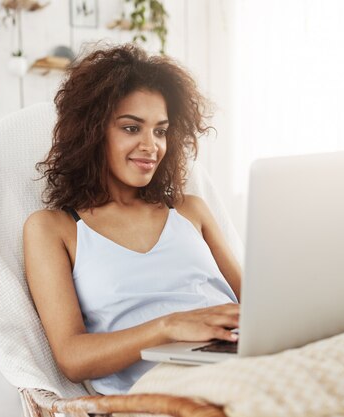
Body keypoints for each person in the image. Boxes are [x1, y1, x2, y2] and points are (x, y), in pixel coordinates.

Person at [23, 43, 242, 395]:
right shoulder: (54, 228)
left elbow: (257, 305)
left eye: (160, 130)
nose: (151, 146)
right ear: (92, 133)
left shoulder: (190, 211)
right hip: (165, 390)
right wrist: (169, 327)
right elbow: (72, 357)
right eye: (131, 128)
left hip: (240, 362)